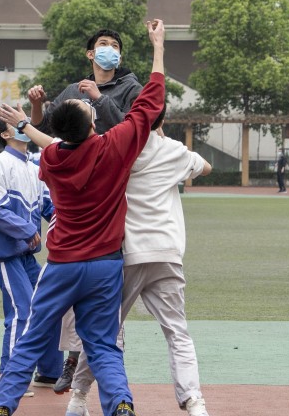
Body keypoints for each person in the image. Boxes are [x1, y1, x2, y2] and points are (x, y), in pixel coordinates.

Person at [0, 19, 166, 416]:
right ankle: (119, 403)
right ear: (93, 122)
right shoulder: (116, 147)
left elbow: (50, 143)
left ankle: (1, 406)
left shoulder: (52, 158)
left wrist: (24, 125)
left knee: (32, 338)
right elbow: (151, 103)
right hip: (105, 265)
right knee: (103, 345)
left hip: (62, 264)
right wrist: (158, 47)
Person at [17, 112, 214, 416]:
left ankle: (78, 399)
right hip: (167, 252)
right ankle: (195, 403)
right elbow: (206, 167)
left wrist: (26, 125)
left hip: (128, 254)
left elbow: (61, 144)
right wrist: (170, 151)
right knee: (178, 332)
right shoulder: (173, 151)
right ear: (159, 122)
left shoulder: (115, 150)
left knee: (102, 335)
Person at [27, 28, 143, 389]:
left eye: (116, 47)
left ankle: (101, 358)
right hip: (77, 192)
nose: (111, 51)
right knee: (74, 276)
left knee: (109, 284)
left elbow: (137, 128)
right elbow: (45, 128)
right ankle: (73, 358)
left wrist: (100, 100)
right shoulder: (72, 91)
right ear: (90, 54)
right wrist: (35, 106)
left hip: (116, 187)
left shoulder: (130, 88)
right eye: (104, 46)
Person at [0, 120, 60, 389]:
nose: (22, 126)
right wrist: (25, 229)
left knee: (49, 306)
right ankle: (9, 377)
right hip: (4, 254)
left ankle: (50, 371)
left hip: (25, 255)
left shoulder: (33, 167)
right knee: (21, 311)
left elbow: (50, 206)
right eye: (14, 124)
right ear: (5, 134)